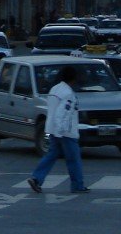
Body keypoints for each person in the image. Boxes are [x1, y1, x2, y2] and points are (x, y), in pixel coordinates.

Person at [27, 65, 89, 195]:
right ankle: (77, 185)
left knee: (51, 155)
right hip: (66, 132)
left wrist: (56, 131)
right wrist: (62, 131)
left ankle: (37, 178)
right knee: (74, 159)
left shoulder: (54, 89)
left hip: (52, 129)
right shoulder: (68, 94)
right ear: (73, 78)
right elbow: (63, 113)